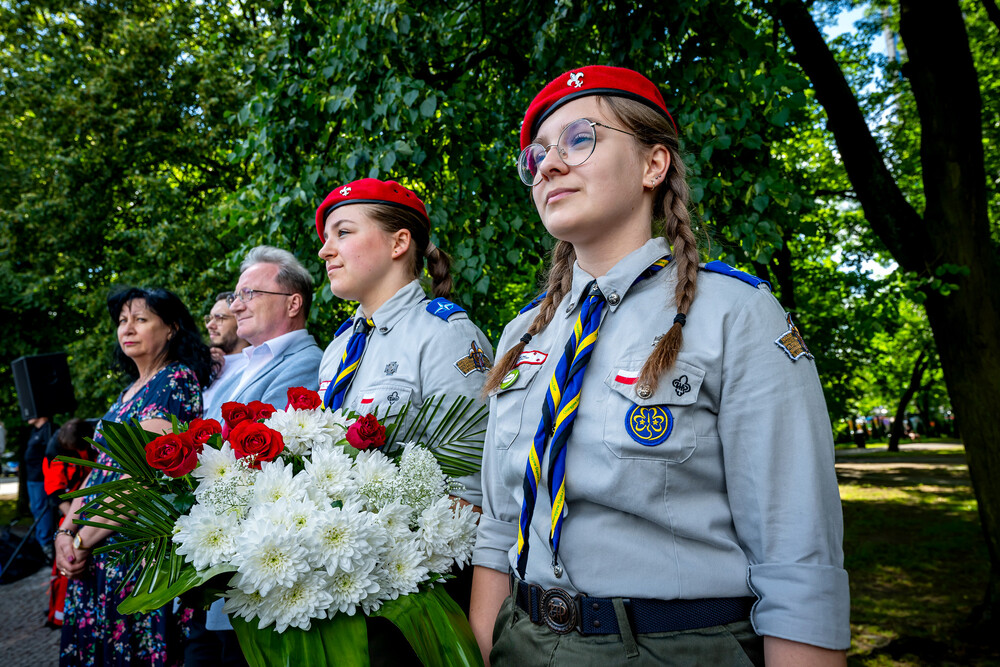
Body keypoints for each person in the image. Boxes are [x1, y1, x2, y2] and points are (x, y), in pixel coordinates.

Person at [469, 66, 850, 666]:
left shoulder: (734, 313)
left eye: (579, 139)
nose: (548, 166)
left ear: (653, 165)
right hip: (524, 640)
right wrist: (489, 648)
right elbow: (499, 524)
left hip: (674, 648)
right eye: (537, 154)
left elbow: (796, 550)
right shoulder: (523, 334)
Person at [315, 178, 493, 663]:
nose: (326, 251)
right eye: (327, 238)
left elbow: (472, 489)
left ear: (399, 243)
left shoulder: (444, 334)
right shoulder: (339, 347)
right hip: (341, 586)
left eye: (343, 232)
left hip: (417, 596)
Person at [55, 287, 212, 666]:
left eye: (140, 319)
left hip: (131, 553)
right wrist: (65, 531)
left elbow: (140, 480)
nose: (127, 328)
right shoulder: (128, 391)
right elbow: (100, 472)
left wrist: (82, 540)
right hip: (95, 548)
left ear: (171, 327)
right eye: (123, 320)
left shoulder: (175, 381)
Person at [191, 246, 323, 667]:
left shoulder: (306, 363)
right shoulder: (244, 364)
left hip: (254, 573)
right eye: (236, 295)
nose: (236, 305)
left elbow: (257, 462)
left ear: (293, 303)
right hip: (220, 568)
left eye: (249, 293)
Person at [201, 291, 250, 411]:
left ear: (240, 319)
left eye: (219, 318)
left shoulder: (250, 367)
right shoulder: (204, 364)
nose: (209, 325)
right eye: (209, 319)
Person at [24, 413, 59, 561]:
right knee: (36, 510)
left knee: (43, 511)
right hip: (32, 479)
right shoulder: (35, 431)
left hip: (41, 479)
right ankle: (41, 545)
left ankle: (46, 547)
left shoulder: (50, 430)